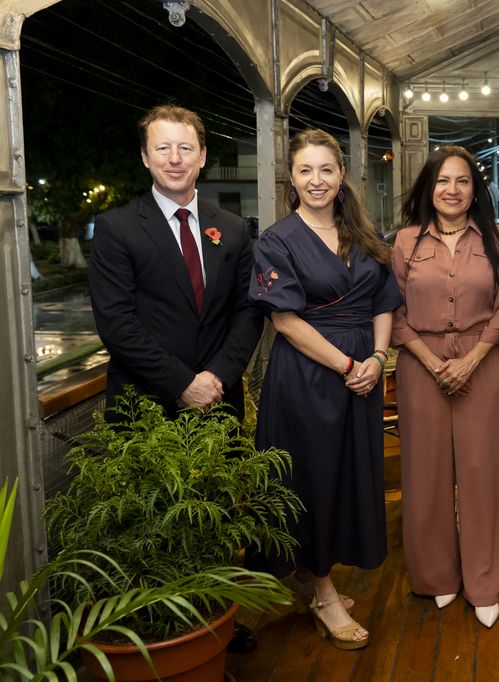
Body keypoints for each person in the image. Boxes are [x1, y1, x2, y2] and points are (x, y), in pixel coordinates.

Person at [249, 129, 401, 650]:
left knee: (349, 475)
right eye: (305, 171)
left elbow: (385, 301)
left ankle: (321, 577)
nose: (316, 180)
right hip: (310, 376)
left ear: (341, 177)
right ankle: (322, 591)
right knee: (311, 478)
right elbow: (286, 322)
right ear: (291, 180)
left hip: (363, 374)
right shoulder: (276, 240)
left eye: (326, 170)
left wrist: (378, 359)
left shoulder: (363, 231)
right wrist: (348, 364)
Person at [391, 146, 499, 628]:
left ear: (474, 190)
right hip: (419, 364)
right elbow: (394, 310)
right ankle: (436, 576)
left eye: (462, 181)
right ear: (429, 187)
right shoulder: (405, 241)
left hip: (483, 361)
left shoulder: (497, 237)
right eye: (443, 181)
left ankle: (483, 581)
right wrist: (428, 358)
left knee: (482, 469)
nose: (452, 189)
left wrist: (472, 360)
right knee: (426, 471)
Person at [89, 105, 263, 418]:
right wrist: (183, 383)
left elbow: (248, 309)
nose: (175, 159)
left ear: (203, 156)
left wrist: (217, 377)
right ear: (145, 156)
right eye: (163, 148)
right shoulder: (115, 229)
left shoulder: (233, 228)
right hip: (144, 409)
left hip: (219, 401)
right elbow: (116, 321)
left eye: (185, 148)